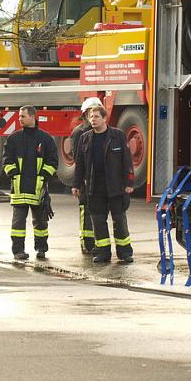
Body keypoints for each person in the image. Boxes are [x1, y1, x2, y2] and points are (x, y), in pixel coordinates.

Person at [72, 105, 134, 264]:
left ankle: (125, 252)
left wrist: (128, 183)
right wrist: (76, 185)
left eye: (96, 117)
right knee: (98, 221)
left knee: (119, 220)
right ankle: (103, 253)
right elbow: (79, 164)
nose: (93, 120)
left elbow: (127, 160)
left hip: (115, 186)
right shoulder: (85, 138)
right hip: (95, 187)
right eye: (91, 117)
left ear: (105, 118)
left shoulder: (117, 135)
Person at [2, 105, 58, 260]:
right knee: (18, 223)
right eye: (19, 116)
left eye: (23, 116)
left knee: (40, 222)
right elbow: (7, 160)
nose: (20, 119)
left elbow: (53, 161)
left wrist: (43, 177)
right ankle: (18, 251)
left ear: (33, 117)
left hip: (38, 188)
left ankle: (41, 249)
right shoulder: (14, 138)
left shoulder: (45, 139)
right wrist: (13, 174)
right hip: (19, 189)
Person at [72, 97, 103, 255]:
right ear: (85, 114)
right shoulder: (80, 132)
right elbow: (78, 160)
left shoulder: (101, 131)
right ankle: (87, 244)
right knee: (86, 211)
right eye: (92, 113)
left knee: (97, 212)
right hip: (85, 180)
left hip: (99, 181)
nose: (93, 116)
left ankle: (96, 243)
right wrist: (78, 183)